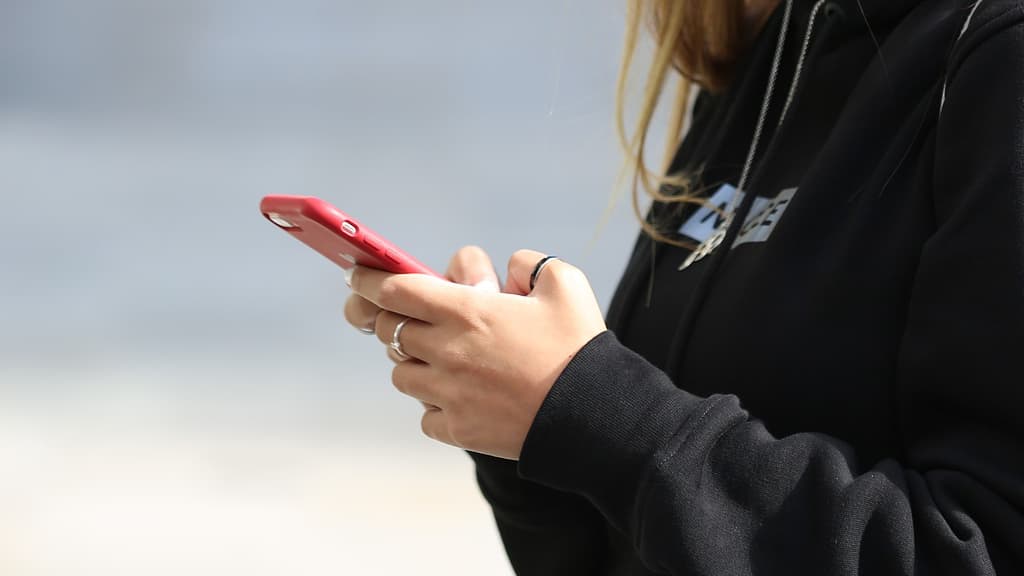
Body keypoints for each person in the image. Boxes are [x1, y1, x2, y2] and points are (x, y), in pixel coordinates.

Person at [344, 0, 1024, 573]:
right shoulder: (767, 51)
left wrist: (601, 413)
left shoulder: (998, 59)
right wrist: (533, 423)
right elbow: (636, 544)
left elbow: (982, 546)